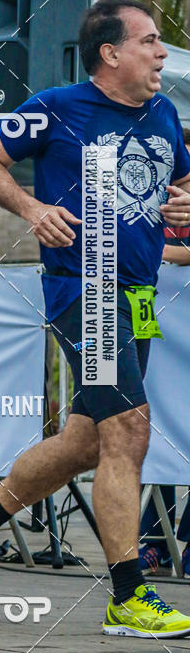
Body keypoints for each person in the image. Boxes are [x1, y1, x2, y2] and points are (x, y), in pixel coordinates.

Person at [0, 0, 190, 638]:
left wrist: (186, 206)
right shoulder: (58, 106)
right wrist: (31, 209)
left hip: (137, 293)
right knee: (130, 429)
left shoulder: (164, 114)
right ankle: (128, 597)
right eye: (151, 41)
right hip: (87, 287)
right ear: (111, 54)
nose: (162, 53)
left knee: (87, 442)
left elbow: (179, 192)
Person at [138, 127, 190, 578]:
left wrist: (159, 253)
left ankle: (185, 542)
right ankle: (153, 541)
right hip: (158, 328)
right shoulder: (150, 193)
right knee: (153, 425)